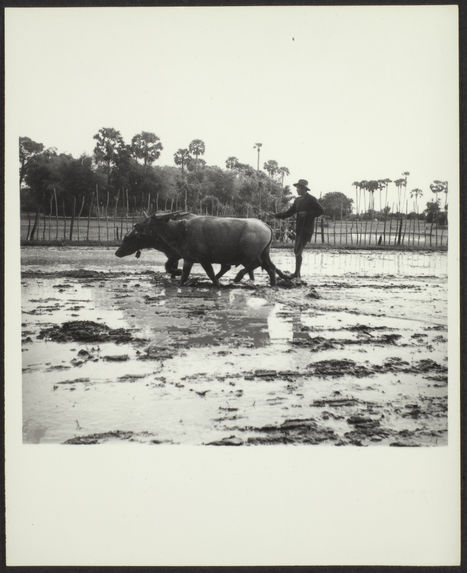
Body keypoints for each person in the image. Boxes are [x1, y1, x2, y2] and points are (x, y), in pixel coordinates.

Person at [272, 178, 323, 279]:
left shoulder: (311, 199)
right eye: (296, 188)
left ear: (304, 189)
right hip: (299, 228)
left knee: (298, 251)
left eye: (298, 188)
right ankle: (297, 273)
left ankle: (297, 274)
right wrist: (276, 215)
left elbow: (320, 211)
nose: (297, 190)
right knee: (297, 251)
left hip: (307, 229)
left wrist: (307, 214)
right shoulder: (297, 200)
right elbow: (289, 212)